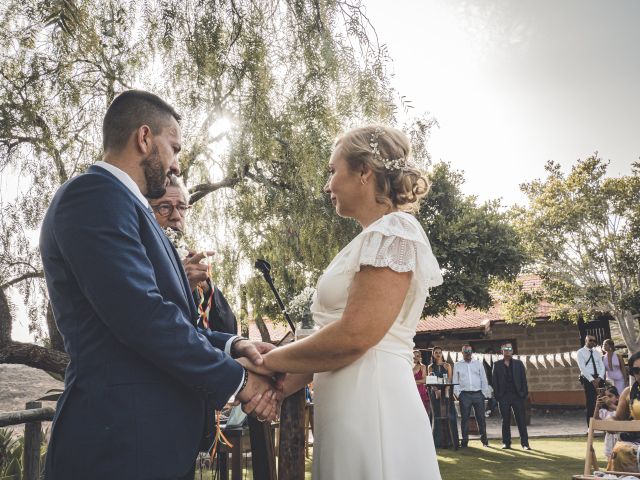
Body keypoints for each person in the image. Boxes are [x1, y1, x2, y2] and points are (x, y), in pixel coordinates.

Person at [39, 90, 279, 480]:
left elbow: (173, 316)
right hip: (118, 445)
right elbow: (141, 316)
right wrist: (240, 381)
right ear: (144, 138)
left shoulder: (127, 206)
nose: (176, 166)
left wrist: (233, 344)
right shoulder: (93, 196)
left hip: (151, 444)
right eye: (174, 148)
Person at [254, 125, 444, 479]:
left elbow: (355, 337)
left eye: (332, 171)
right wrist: (281, 385)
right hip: (345, 404)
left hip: (373, 403)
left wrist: (266, 362)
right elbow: (332, 343)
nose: (327, 185)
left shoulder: (395, 231)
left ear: (363, 172)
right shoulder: (367, 240)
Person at [148, 175, 238, 334]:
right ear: (147, 211)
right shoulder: (138, 258)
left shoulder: (191, 261)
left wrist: (208, 289)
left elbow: (229, 330)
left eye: (182, 207)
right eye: (164, 207)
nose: (176, 216)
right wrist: (182, 286)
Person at [492, 342, 531, 450]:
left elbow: (524, 380)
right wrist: (497, 396)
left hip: (517, 396)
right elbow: (494, 382)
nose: (508, 350)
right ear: (502, 351)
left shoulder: (519, 364)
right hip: (503, 396)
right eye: (505, 349)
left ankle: (525, 444)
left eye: (510, 349)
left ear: (512, 351)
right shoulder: (497, 364)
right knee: (505, 421)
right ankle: (506, 443)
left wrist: (524, 394)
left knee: (521, 420)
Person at [606, 351, 640, 472]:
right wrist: (610, 421)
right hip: (634, 440)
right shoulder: (628, 392)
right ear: (632, 373)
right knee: (620, 450)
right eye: (637, 370)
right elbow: (618, 418)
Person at [453, 344, 491, 448]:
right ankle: (464, 442)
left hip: (478, 394)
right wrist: (459, 394)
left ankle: (485, 441)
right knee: (465, 419)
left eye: (469, 351)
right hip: (464, 395)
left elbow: (484, 379)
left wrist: (484, 393)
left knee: (481, 419)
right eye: (466, 351)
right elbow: (455, 381)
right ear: (462, 353)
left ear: (472, 352)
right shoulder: (457, 365)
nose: (468, 353)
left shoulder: (478, 363)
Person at [428, 346, 458, 448]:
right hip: (435, 394)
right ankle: (437, 442)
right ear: (433, 354)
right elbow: (430, 381)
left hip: (446, 394)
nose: (438, 354)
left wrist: (445, 390)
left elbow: (449, 379)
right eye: (436, 352)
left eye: (439, 352)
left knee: (448, 414)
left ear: (442, 354)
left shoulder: (447, 365)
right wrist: (436, 391)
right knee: (436, 415)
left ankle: (449, 441)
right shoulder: (430, 367)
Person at [578, 335, 606, 426]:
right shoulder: (580, 352)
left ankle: (602, 424)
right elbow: (582, 368)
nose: (593, 342)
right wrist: (592, 380)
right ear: (586, 340)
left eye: (594, 341)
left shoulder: (597, 353)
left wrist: (600, 378)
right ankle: (590, 427)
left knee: (602, 401)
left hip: (598, 378)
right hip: (588, 379)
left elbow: (602, 366)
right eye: (590, 340)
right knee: (591, 402)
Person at [594, 385, 620, 463]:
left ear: (617, 397)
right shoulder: (604, 411)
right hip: (609, 439)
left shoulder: (620, 409)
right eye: (606, 397)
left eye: (610, 396)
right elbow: (596, 420)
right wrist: (597, 406)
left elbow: (622, 413)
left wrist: (611, 405)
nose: (608, 398)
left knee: (620, 458)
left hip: (619, 438)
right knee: (610, 460)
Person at [413, 349, 431, 414]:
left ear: (420, 357)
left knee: (423, 412)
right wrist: (417, 381)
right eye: (414, 355)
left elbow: (424, 380)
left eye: (417, 356)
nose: (415, 357)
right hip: (410, 391)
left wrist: (411, 382)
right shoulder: (407, 366)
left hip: (421, 391)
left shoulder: (422, 367)